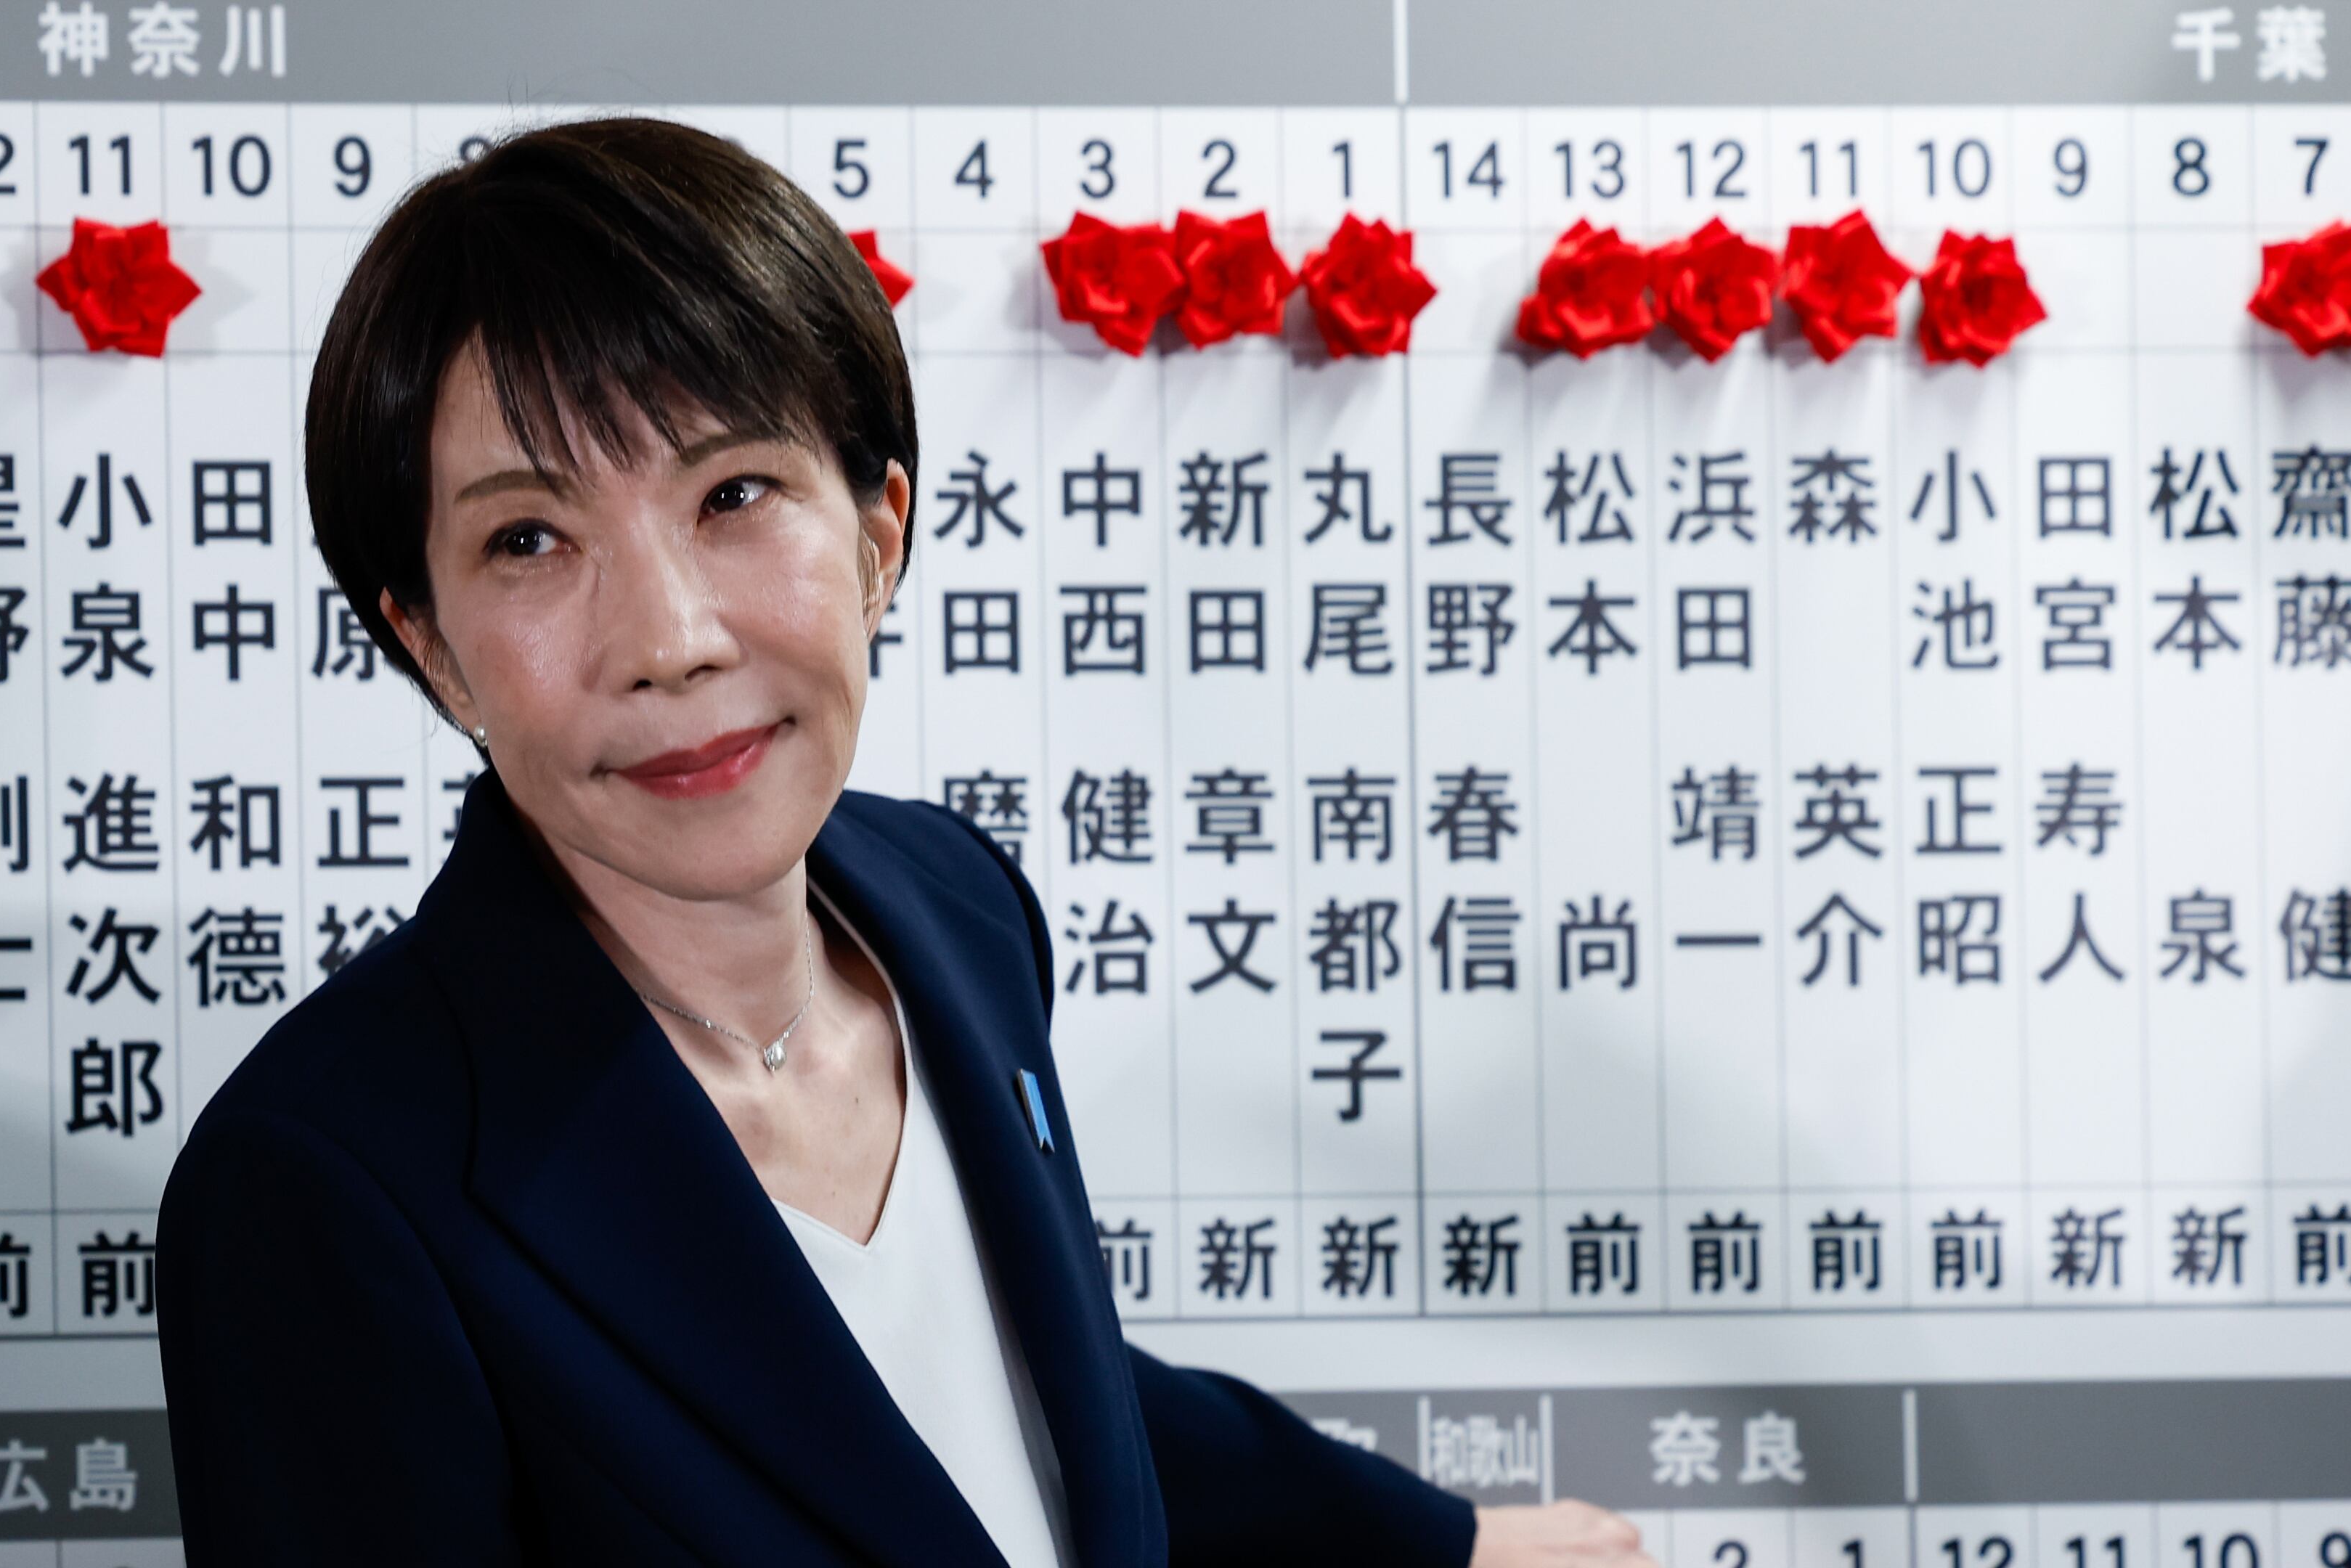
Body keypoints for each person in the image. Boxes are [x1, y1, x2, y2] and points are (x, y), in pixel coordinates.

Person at [154, 113, 1657, 1568]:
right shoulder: (322, 1187)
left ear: (881, 533)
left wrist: (1434, 1540)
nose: (669, 641)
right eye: (529, 541)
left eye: (735, 493)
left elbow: (1015, 1401)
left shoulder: (952, 908)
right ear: (431, 647)